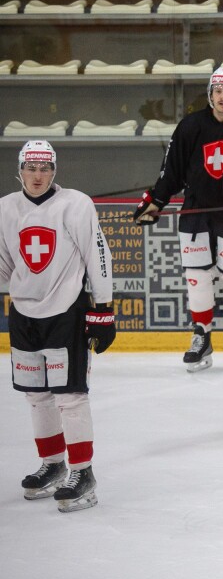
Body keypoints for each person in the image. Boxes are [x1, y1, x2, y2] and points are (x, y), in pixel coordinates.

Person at [1, 140, 114, 512]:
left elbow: (97, 255)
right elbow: (4, 263)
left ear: (54, 171)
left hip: (67, 312)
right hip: (24, 314)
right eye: (31, 168)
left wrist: (103, 309)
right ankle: (52, 464)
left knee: (70, 396)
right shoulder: (5, 208)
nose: (38, 175)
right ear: (19, 170)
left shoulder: (76, 204)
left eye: (45, 168)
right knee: (37, 396)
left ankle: (82, 472)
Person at [132, 66, 223, 371]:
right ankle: (202, 335)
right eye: (218, 91)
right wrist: (156, 201)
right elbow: (171, 170)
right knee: (197, 278)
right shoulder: (190, 126)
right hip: (195, 215)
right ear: (210, 93)